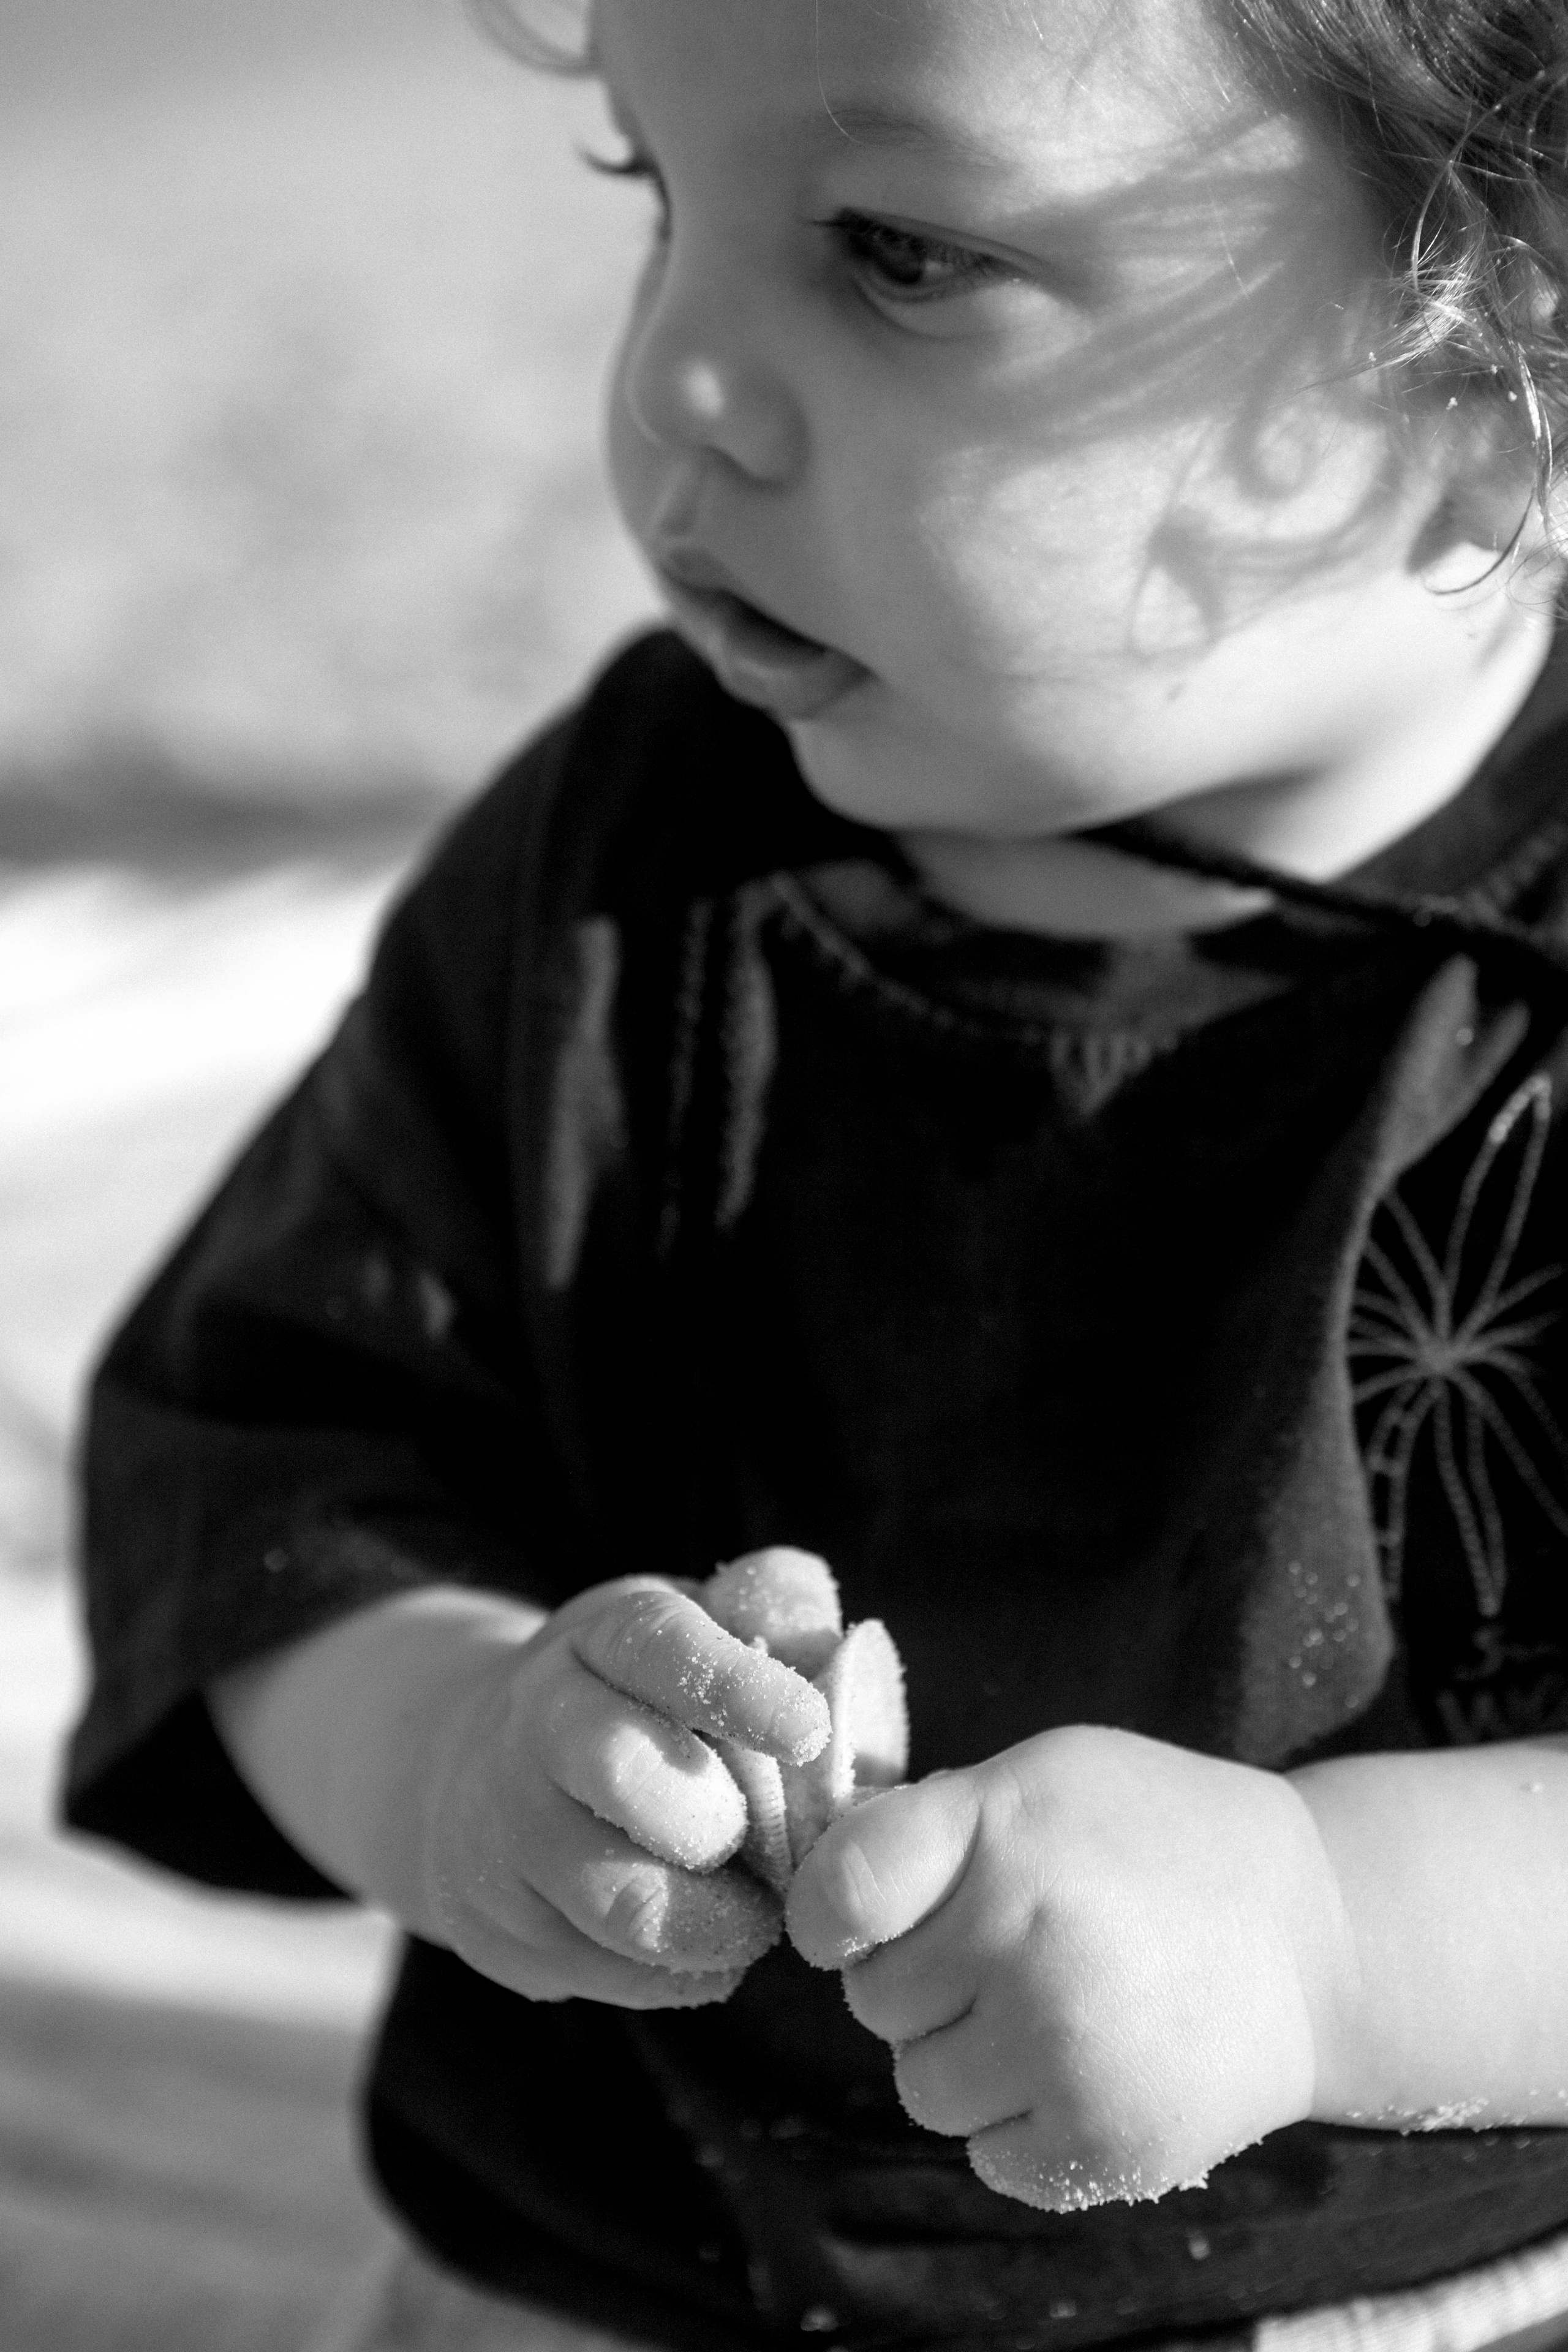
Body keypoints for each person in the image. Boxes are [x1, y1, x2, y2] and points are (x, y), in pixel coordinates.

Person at [62, 2, 1568, 2347]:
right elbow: (270, 1478)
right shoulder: (622, 874)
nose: (674, 379)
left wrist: (1331, 1938)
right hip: (606, 2284)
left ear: (1496, 389)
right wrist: (464, 1750)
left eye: (896, 250)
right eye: (656, 199)